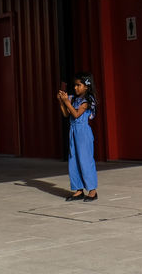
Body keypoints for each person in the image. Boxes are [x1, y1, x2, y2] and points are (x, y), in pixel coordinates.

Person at [56, 72, 98, 201]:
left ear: (86, 86)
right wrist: (61, 102)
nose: (75, 88)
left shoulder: (87, 100)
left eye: (79, 85)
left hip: (83, 132)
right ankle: (78, 190)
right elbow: (66, 115)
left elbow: (76, 114)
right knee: (73, 160)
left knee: (85, 161)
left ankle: (92, 191)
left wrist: (66, 101)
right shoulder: (73, 98)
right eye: (75, 85)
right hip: (73, 132)